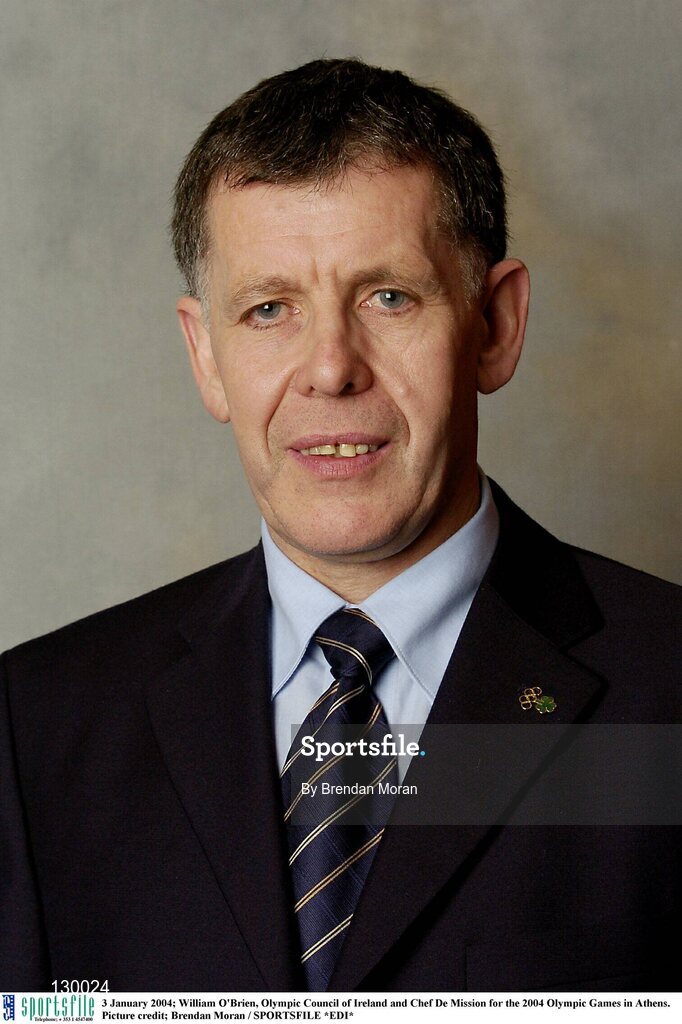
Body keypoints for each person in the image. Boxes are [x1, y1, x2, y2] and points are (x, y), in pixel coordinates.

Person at [1, 58, 679, 994]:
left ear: (497, 325)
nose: (330, 369)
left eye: (388, 297)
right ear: (206, 355)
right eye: (269, 309)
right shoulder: (37, 725)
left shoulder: (668, 692)